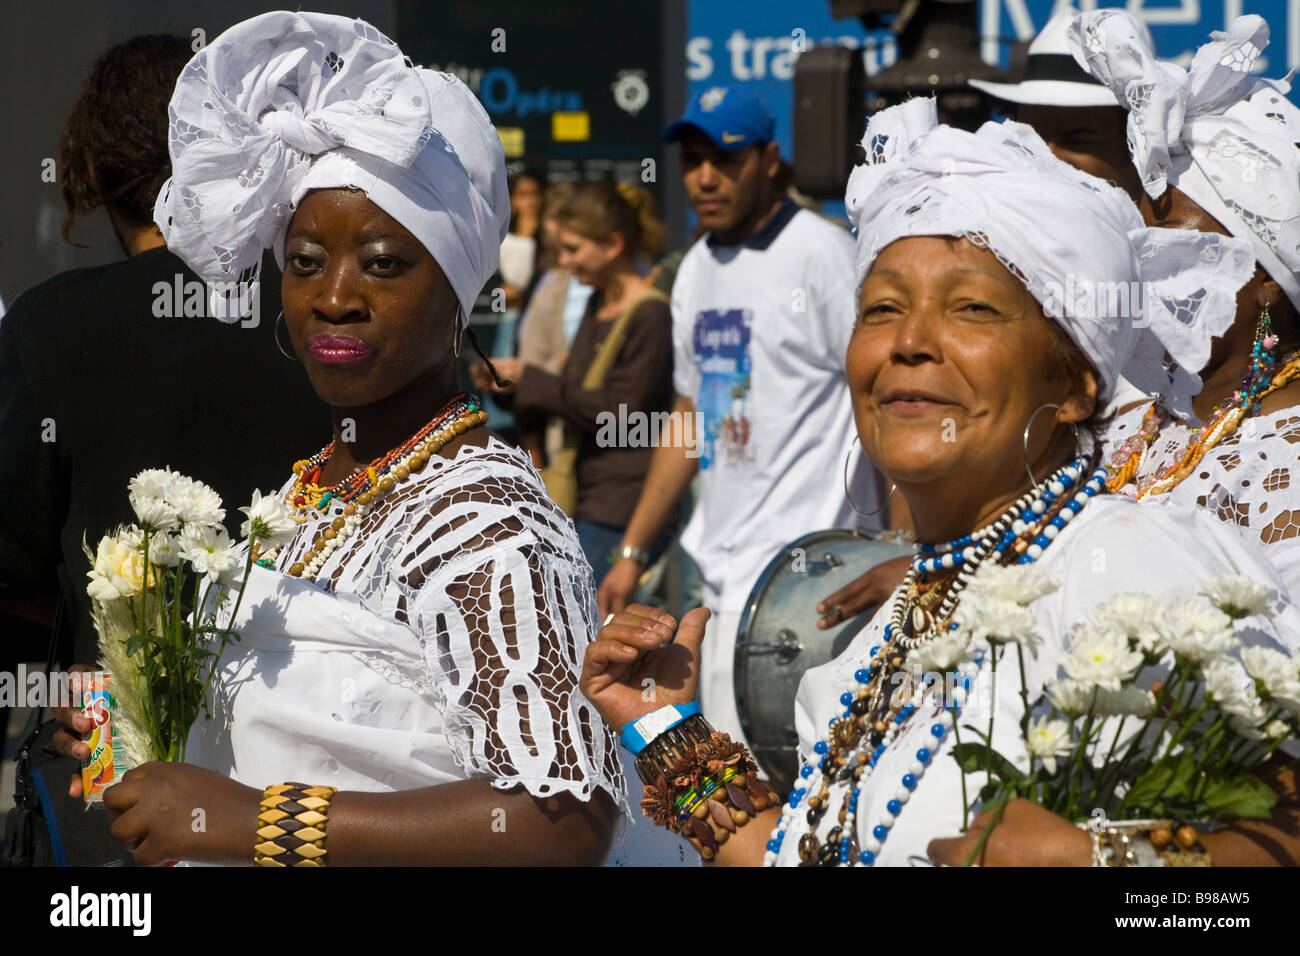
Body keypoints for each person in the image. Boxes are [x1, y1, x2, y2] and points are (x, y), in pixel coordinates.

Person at [581, 98, 1300, 866]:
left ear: (1081, 382)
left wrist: (1110, 861)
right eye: (882, 307)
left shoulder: (1128, 567)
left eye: (973, 309)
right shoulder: (877, 643)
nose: (911, 342)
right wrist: (666, 730)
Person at [49, 11, 621, 866]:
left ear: (458, 289)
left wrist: (251, 822)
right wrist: (133, 738)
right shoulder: (307, 495)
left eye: (385, 262)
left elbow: (562, 821)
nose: (335, 297)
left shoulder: (487, 517)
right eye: (307, 261)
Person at [597, 85, 887, 755]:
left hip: (819, 585)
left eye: (724, 160)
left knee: (816, 796)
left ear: (769, 160)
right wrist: (634, 550)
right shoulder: (695, 267)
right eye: (692, 161)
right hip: (721, 591)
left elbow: (883, 399)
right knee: (728, 801)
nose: (704, 178)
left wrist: (899, 543)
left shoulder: (826, 254)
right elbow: (691, 415)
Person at [1070, 12, 1300, 597]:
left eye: (1173, 240)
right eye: (1140, 233)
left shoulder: (1287, 462)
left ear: (1267, 277)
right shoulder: (1130, 420)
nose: (1142, 260)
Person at [476, 182, 676, 576]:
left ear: (613, 245)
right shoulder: (600, 304)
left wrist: (532, 379)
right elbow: (573, 395)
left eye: (573, 249)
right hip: (586, 495)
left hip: (619, 505)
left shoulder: (649, 315)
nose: (564, 263)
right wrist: (507, 388)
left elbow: (617, 415)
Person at [499, 169, 543, 311]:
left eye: (535, 194)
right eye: (523, 195)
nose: (531, 202)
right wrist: (525, 237)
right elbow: (515, 282)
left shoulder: (549, 235)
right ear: (512, 200)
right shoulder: (502, 236)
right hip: (512, 312)